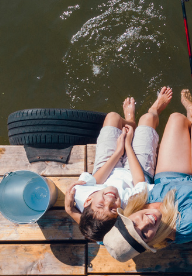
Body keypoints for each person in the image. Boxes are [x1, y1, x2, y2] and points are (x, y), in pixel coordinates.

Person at [101, 89, 192, 261]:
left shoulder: (135, 203)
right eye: (145, 235)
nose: (146, 223)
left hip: (171, 180)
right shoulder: (187, 224)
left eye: (134, 224)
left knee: (176, 118)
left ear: (127, 216)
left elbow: (95, 229)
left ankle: (190, 115)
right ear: (151, 242)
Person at [64, 87, 173, 242]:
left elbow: (96, 181)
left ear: (88, 202)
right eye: (112, 209)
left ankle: (130, 121)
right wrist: (127, 146)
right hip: (135, 173)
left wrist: (118, 151)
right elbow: (140, 181)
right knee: (148, 119)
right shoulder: (126, 207)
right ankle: (155, 109)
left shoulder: (81, 195)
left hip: (107, 169)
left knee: (113, 117)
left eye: (101, 205)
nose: (110, 200)